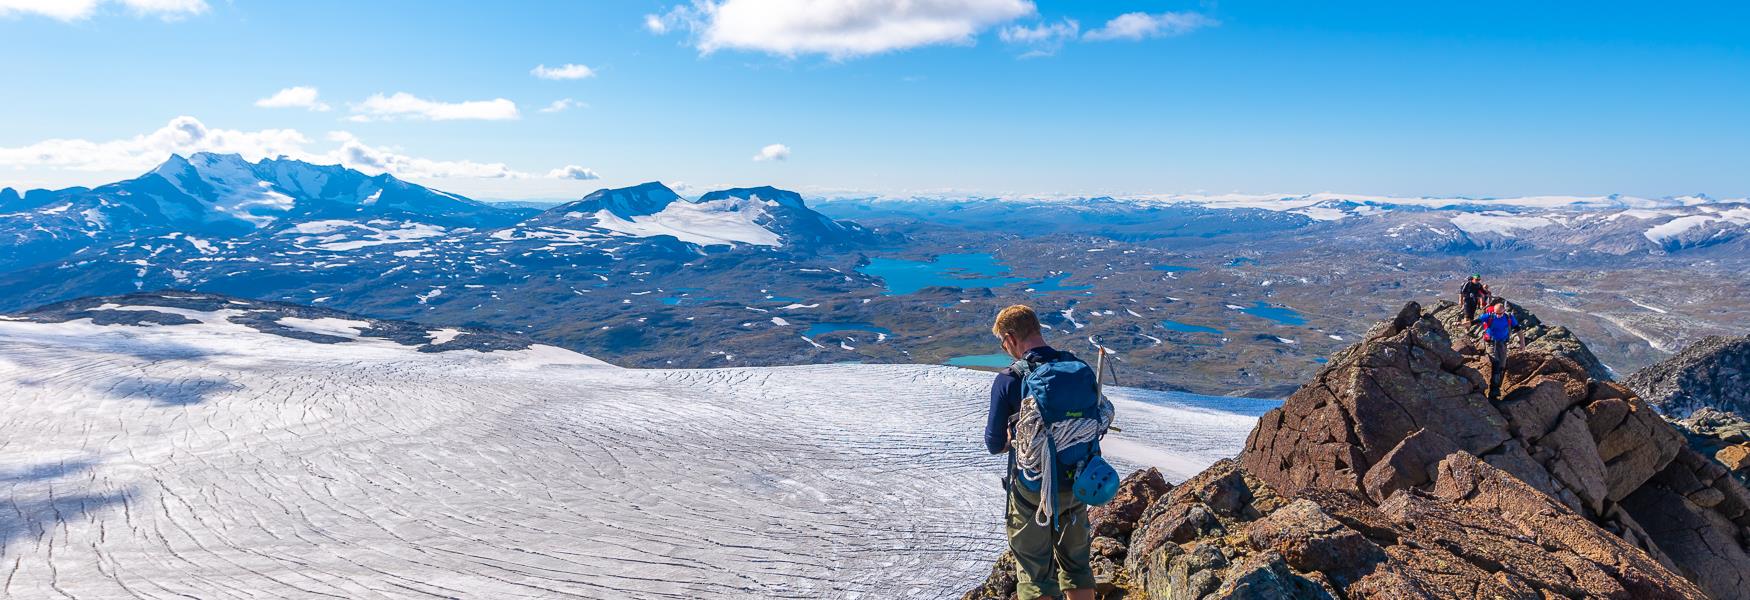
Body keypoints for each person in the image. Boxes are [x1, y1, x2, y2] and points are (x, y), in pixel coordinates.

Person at [983, 305, 1096, 600]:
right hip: (1078, 480)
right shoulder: (1075, 368)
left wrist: (1015, 438)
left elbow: (994, 443)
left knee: (1035, 574)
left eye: (1002, 342)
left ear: (1010, 337)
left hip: (1034, 489)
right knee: (1077, 565)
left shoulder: (1009, 380)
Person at [1475, 298, 1519, 402]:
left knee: (1502, 366)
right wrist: (1462, 324)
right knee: (1496, 362)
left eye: (1500, 313)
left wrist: (1522, 344)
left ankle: (1496, 389)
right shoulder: (1489, 316)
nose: (1497, 315)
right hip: (1491, 343)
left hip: (1502, 343)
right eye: (1496, 313)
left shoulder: (1509, 317)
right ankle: (1493, 390)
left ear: (1504, 311)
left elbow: (1518, 329)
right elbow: (1474, 321)